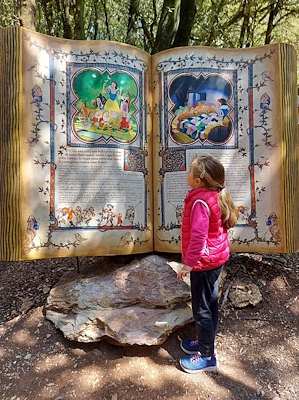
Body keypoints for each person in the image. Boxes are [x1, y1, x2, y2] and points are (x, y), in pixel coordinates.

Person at [177, 154, 238, 373]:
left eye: (190, 170)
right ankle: (206, 341)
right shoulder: (214, 195)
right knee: (210, 303)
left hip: (203, 263)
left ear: (198, 180)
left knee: (201, 308)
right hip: (216, 259)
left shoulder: (200, 201)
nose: (187, 173)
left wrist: (188, 264)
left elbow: (198, 238)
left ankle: (207, 356)